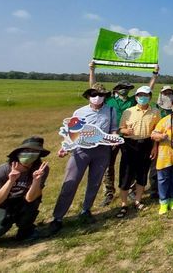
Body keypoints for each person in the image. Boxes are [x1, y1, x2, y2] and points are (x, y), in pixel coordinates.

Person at [47, 83, 118, 235]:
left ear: (105, 97)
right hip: (81, 151)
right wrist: (66, 147)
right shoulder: (79, 112)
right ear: (88, 96)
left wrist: (114, 137)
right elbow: (72, 132)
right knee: (70, 182)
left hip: (102, 152)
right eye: (93, 95)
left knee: (94, 182)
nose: (97, 98)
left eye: (101, 95)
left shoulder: (111, 110)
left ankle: (86, 210)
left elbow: (113, 128)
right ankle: (58, 217)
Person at [89, 61, 158, 207]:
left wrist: (154, 75)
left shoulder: (133, 101)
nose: (125, 90)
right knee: (109, 165)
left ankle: (131, 189)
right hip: (112, 137)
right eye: (122, 88)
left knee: (130, 165)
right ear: (116, 89)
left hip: (129, 140)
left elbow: (147, 91)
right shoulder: (109, 100)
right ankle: (109, 192)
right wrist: (92, 70)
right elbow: (93, 89)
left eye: (127, 88)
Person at [0, 137, 50, 243]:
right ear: (18, 153)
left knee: (36, 197)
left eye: (35, 152)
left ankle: (26, 230)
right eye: (27, 151)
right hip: (1, 205)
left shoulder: (41, 170)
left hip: (22, 203)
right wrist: (10, 181)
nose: (30, 154)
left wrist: (36, 180)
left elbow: (30, 198)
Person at [115, 86, 161, 218]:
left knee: (142, 173)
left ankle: (138, 201)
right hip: (130, 145)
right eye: (140, 95)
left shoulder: (155, 112)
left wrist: (154, 147)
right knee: (126, 174)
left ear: (150, 97)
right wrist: (125, 131)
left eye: (145, 95)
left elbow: (156, 131)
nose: (142, 98)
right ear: (135, 97)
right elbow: (121, 129)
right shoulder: (128, 112)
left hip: (146, 144)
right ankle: (123, 204)